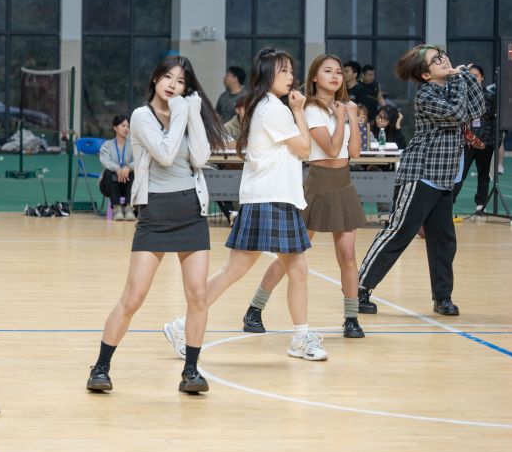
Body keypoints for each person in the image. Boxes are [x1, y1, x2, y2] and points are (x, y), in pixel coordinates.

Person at [165, 47, 328, 363]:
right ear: (268, 75)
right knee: (266, 271)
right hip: (271, 199)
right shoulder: (274, 109)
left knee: (281, 271)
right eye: (283, 71)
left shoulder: (264, 106)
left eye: (291, 70)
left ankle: (184, 325)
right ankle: (183, 325)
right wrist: (299, 110)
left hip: (270, 198)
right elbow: (305, 148)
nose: (291, 76)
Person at [86, 56, 226, 395]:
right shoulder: (141, 116)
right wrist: (181, 113)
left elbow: (201, 157)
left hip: (191, 209)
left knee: (197, 296)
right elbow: (164, 153)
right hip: (155, 212)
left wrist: (193, 115)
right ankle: (101, 367)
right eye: (168, 78)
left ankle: (191, 371)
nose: (173, 86)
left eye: (181, 81)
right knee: (133, 297)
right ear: (155, 79)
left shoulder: (186, 113)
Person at [241, 54, 366, 339]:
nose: (335, 76)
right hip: (317, 185)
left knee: (348, 256)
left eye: (338, 71)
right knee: (290, 255)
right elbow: (331, 149)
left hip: (344, 184)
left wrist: (352, 117)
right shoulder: (309, 108)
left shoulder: (342, 107)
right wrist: (343, 117)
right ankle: (255, 308)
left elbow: (354, 152)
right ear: (314, 77)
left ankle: (351, 317)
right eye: (327, 71)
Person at [357, 46, 485, 317]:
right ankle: (360, 288)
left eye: (443, 55)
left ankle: (442, 297)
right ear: (426, 75)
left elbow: (477, 108)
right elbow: (457, 113)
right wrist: (459, 78)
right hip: (420, 174)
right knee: (398, 233)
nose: (444, 59)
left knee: (443, 240)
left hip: (444, 178)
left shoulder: (452, 87)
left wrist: (466, 77)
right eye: (436, 59)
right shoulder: (427, 94)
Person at [453, 64, 495, 213]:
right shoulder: (461, 96)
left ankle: (481, 204)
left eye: (476, 76)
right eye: (469, 76)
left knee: (483, 174)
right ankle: (449, 201)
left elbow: (494, 120)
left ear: (482, 78)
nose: (472, 78)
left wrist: (494, 141)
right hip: (466, 142)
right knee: (460, 173)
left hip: (485, 141)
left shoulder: (490, 96)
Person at [98, 115, 134, 220]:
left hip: (127, 185)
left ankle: (129, 208)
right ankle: (117, 208)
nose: (126, 129)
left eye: (128, 126)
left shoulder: (133, 145)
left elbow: (138, 161)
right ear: (115, 128)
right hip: (109, 186)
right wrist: (118, 169)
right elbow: (104, 161)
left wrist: (128, 168)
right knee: (108, 172)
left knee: (134, 172)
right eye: (123, 126)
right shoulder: (107, 145)